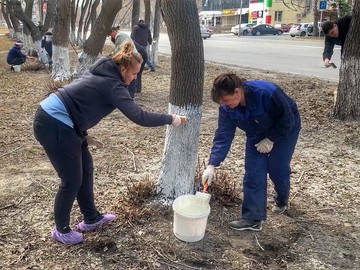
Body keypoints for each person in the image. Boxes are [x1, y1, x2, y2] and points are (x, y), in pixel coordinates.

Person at [33, 40, 185, 245]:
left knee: (85, 168)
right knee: (71, 180)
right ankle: (61, 230)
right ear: (123, 68)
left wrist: (83, 135)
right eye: (133, 74)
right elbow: (139, 116)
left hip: (66, 122)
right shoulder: (113, 85)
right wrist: (170, 119)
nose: (134, 78)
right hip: (53, 122)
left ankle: (91, 219)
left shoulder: (105, 71)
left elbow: (79, 103)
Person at [202, 73, 301, 231]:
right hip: (256, 132)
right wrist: (212, 165)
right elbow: (223, 135)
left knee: (277, 168)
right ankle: (253, 218)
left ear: (237, 92)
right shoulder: (226, 108)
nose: (224, 105)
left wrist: (271, 139)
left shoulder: (266, 92)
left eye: (226, 100)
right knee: (253, 171)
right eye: (222, 102)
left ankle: (281, 199)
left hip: (285, 128)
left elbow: (287, 119)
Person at [109, 26, 147, 96]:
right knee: (133, 75)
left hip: (132, 59)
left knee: (131, 75)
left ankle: (131, 94)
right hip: (134, 58)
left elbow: (118, 51)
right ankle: (133, 91)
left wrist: (112, 56)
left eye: (110, 34)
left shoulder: (119, 36)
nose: (110, 36)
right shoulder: (122, 35)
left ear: (113, 31)